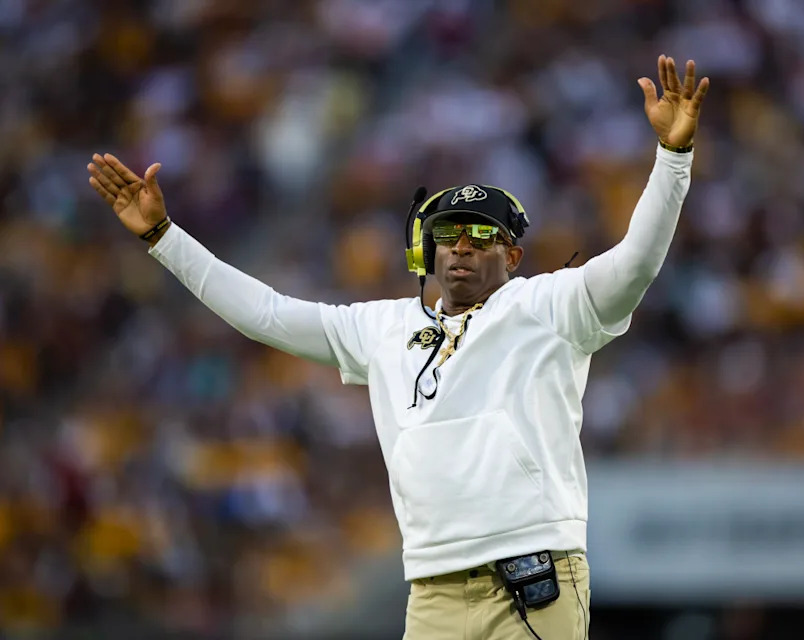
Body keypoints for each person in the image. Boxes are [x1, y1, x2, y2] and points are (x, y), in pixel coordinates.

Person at [87, 54, 708, 639]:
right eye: (447, 235)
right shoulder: (379, 328)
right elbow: (267, 316)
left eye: (479, 235)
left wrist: (672, 157)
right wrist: (164, 238)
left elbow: (635, 264)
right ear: (427, 252)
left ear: (512, 257)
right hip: (431, 588)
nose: (461, 246)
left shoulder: (550, 304)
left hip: (533, 572)